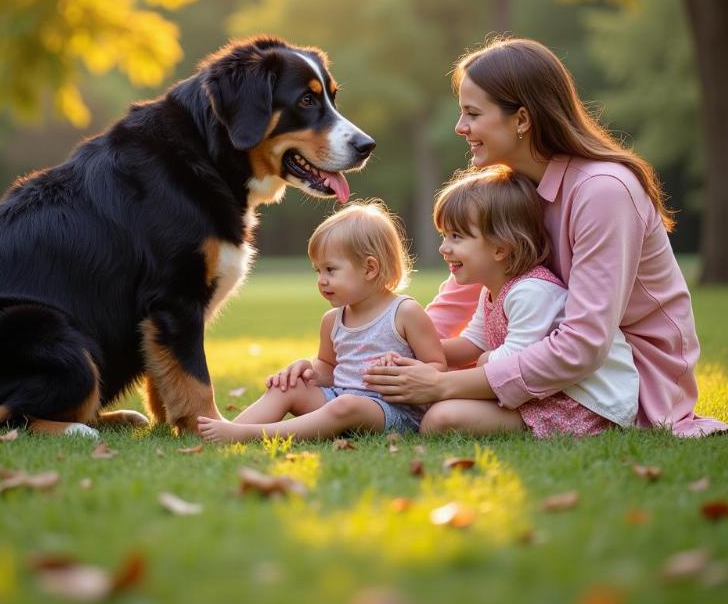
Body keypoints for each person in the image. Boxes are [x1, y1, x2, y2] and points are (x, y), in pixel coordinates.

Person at [364, 37, 727, 437]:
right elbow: (453, 306)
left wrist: (443, 383)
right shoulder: (509, 191)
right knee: (426, 399)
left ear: (521, 119)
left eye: (472, 113)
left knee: (442, 410)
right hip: (546, 356)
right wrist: (375, 355)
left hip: (619, 381)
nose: (460, 127)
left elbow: (584, 345)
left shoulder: (602, 191)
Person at [197, 201, 446, 442]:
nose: (322, 280)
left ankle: (253, 435)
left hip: (394, 413)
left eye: (330, 270)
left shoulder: (405, 312)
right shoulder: (332, 320)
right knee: (288, 387)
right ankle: (232, 430)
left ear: (370, 268)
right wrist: (305, 371)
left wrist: (404, 368)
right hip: (339, 399)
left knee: (345, 406)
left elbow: (438, 367)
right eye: (318, 271)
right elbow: (328, 370)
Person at [421, 165, 638, 436]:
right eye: (444, 236)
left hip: (587, 403)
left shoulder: (530, 292)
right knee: (436, 406)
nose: (444, 247)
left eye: (457, 237)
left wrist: (441, 380)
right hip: (541, 391)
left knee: (440, 419)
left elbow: (506, 361)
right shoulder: (492, 288)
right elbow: (473, 343)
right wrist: (418, 351)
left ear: (500, 248)